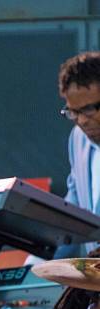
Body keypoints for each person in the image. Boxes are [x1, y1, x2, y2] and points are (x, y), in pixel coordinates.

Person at [57, 51, 100, 257]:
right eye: (73, 112)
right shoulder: (78, 139)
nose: (82, 121)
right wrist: (33, 268)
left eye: (90, 109)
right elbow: (72, 220)